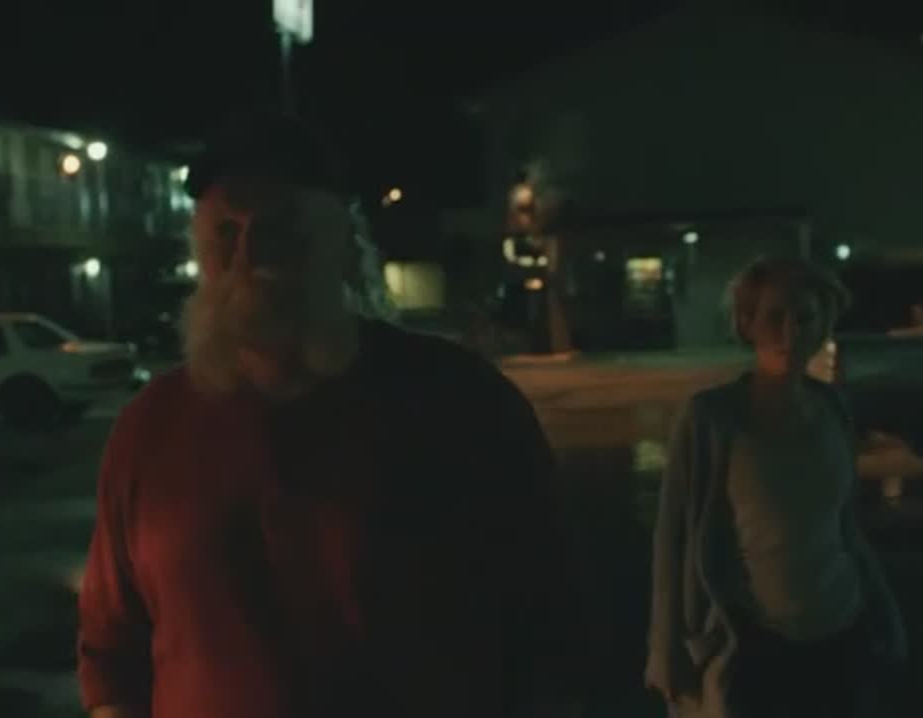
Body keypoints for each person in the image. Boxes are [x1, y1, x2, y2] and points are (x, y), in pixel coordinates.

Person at [76, 112, 579, 718]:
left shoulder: (461, 404)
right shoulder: (150, 430)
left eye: (280, 230)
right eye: (226, 233)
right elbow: (111, 651)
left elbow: (549, 628)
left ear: (343, 245)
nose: (249, 256)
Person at [645, 256, 906, 718]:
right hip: (755, 642)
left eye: (804, 317)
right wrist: (666, 653)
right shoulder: (712, 419)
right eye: (774, 317)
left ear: (824, 324)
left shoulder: (832, 409)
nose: (789, 333)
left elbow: (845, 527)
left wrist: (885, 614)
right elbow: (673, 539)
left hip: (842, 634)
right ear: (747, 323)